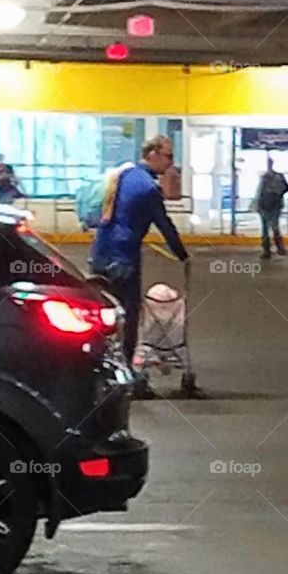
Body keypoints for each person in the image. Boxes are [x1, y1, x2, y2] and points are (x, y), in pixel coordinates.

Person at [90, 135, 189, 396]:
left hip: (100, 253)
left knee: (105, 314)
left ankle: (97, 366)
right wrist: (182, 254)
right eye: (168, 156)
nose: (171, 162)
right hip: (123, 258)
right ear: (153, 153)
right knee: (129, 318)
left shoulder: (125, 174)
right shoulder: (147, 187)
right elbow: (164, 223)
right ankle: (125, 377)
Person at [253, 157, 288, 260]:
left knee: (267, 229)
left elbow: (259, 192)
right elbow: (286, 188)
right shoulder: (277, 176)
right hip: (273, 205)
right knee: (274, 228)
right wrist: (278, 194)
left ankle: (268, 251)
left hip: (267, 205)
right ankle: (279, 249)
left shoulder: (266, 177)